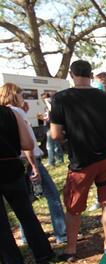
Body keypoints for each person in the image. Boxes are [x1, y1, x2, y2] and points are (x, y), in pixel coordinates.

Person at [50, 60, 106, 262]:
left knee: (74, 208)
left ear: (72, 75)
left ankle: (71, 250)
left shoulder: (60, 98)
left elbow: (55, 134)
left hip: (81, 161)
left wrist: (69, 136)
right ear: (91, 75)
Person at [0, 83, 55, 264]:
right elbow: (28, 144)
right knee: (26, 214)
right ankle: (44, 254)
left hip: (10, 167)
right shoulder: (10, 113)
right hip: (12, 168)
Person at [6, 85, 67, 244]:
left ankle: (27, 236)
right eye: (20, 94)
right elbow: (26, 143)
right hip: (31, 159)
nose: (23, 97)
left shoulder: (7, 112)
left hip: (16, 162)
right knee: (52, 195)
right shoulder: (16, 113)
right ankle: (62, 233)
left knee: (26, 200)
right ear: (13, 95)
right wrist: (33, 165)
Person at [41, 92, 64, 166]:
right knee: (55, 145)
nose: (43, 100)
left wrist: (47, 101)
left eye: (43, 99)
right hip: (49, 126)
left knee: (51, 146)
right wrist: (44, 118)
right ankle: (59, 160)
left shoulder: (51, 105)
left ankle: (52, 162)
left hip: (53, 127)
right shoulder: (46, 107)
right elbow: (50, 116)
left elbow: (53, 111)